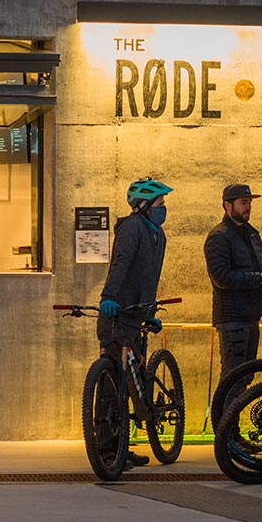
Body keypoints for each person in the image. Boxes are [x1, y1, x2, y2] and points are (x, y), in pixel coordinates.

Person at [98, 177, 173, 470]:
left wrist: (149, 311)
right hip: (117, 313)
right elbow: (121, 263)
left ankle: (122, 448)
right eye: (159, 203)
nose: (163, 208)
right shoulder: (132, 228)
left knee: (132, 380)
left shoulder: (158, 235)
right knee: (111, 385)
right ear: (143, 206)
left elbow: (150, 278)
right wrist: (108, 296)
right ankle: (107, 451)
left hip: (136, 315)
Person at [205, 183, 262, 411]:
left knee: (244, 378)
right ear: (227, 205)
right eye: (243, 203)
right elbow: (221, 276)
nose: (248, 207)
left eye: (249, 202)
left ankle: (232, 435)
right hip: (232, 318)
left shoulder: (252, 234)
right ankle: (226, 436)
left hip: (251, 316)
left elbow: (254, 273)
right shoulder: (219, 237)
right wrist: (259, 279)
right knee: (232, 379)